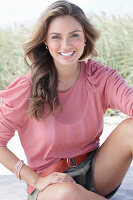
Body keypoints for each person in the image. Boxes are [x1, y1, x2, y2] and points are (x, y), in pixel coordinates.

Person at [0, 0, 133, 200]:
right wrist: (35, 180)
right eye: (56, 37)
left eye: (74, 35)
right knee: (66, 195)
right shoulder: (26, 88)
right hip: (52, 184)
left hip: (97, 172)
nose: (66, 45)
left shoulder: (99, 77)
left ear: (85, 38)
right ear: (45, 41)